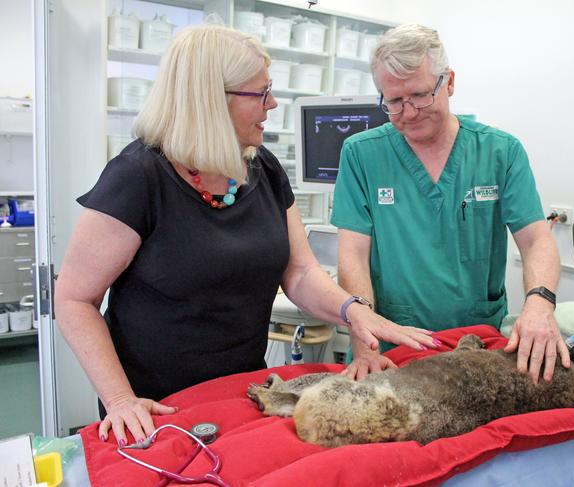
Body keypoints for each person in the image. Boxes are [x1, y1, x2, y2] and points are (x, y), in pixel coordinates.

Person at [54, 24, 435, 446]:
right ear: (211, 101)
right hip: (153, 404)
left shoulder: (262, 167)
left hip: (240, 391)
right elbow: (74, 299)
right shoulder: (138, 177)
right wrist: (121, 398)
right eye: (261, 93)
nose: (272, 104)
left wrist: (352, 310)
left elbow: (301, 271)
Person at [331, 24, 570, 382]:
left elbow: (536, 239)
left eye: (420, 95)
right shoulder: (362, 154)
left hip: (476, 346)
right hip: (390, 348)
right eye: (394, 102)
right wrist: (363, 335)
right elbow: (352, 254)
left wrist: (539, 304)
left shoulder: (499, 152)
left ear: (450, 82)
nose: (408, 112)